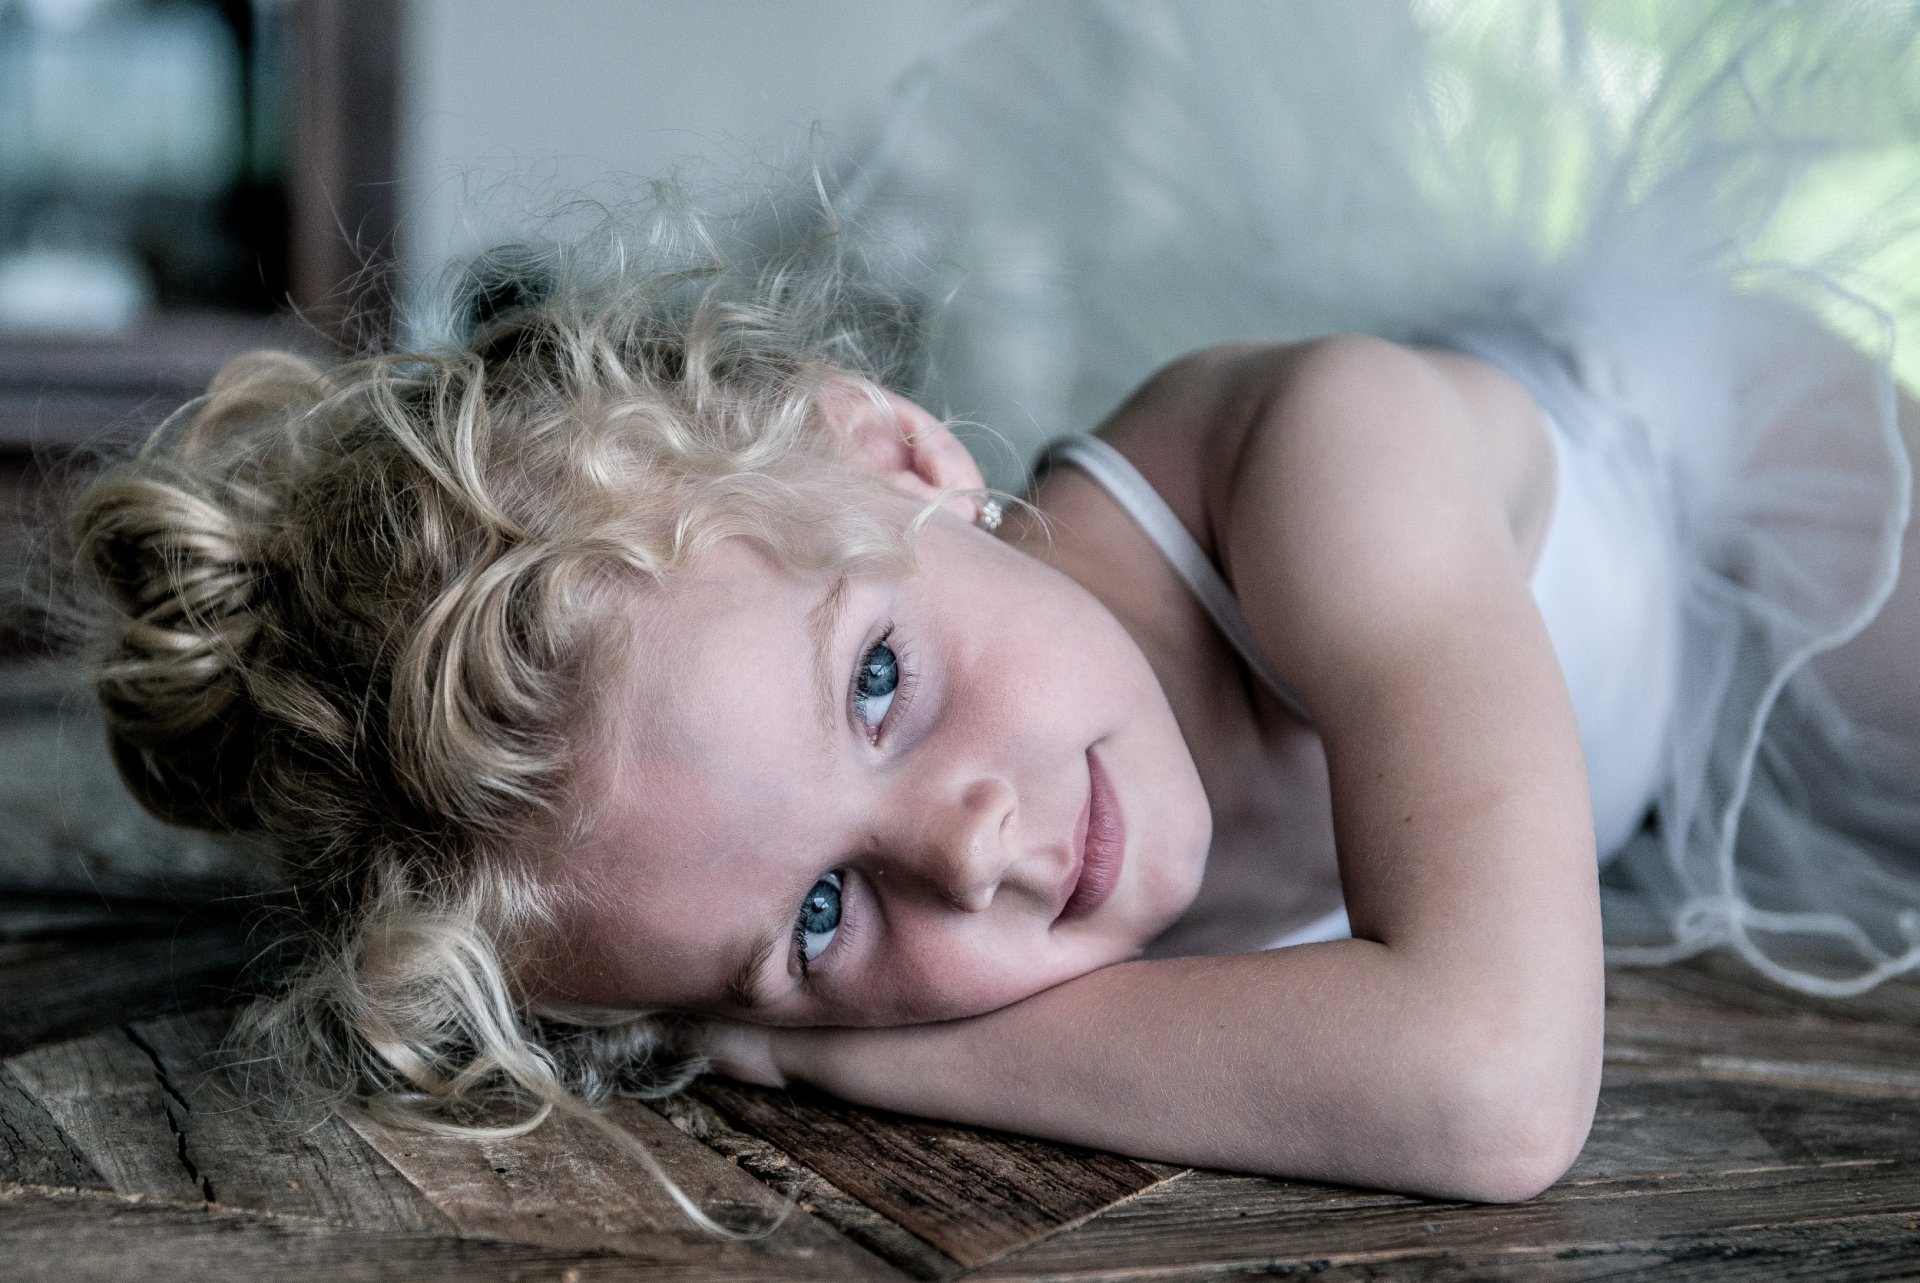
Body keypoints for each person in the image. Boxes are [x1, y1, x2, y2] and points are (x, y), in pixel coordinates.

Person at [63, 0, 1920, 1211]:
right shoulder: (1002, 833)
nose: (967, 852)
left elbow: (1497, 1086)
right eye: (813, 911)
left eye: (877, 683)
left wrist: (800, 1030)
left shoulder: (1319, 465)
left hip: (1740, 511)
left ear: (895, 454)